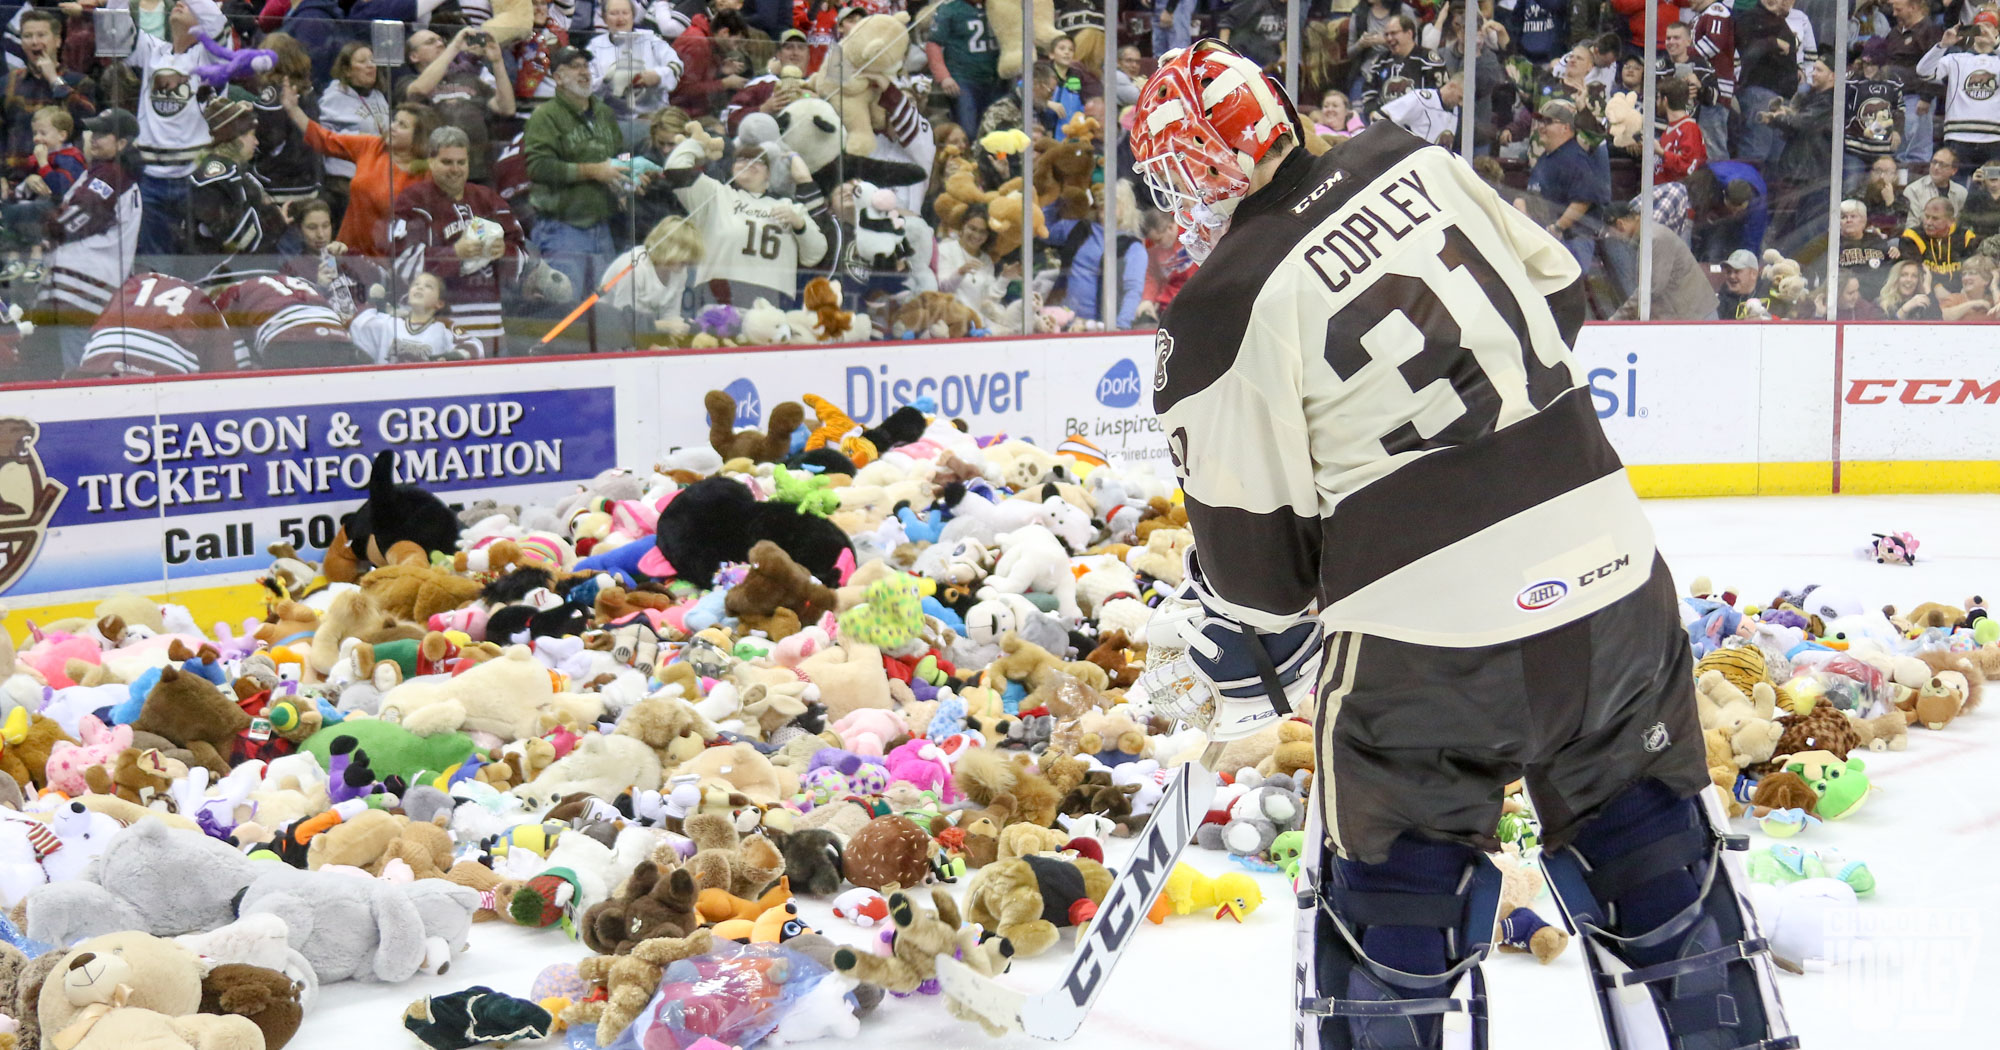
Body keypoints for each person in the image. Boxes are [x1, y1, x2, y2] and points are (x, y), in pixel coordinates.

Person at [1127, 39, 1793, 1050]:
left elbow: (1264, 582)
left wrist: (1228, 619)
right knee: (1655, 862)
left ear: (1205, 168)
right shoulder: (1416, 160)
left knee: (1392, 909)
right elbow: (1559, 303)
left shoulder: (1218, 307)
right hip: (1611, 574)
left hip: (1424, 641)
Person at [655, 120, 825, 307]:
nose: (748, 163)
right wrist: (696, 144)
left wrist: (799, 224)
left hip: (773, 298)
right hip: (717, 292)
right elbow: (675, 169)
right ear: (732, 167)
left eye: (758, 161)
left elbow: (815, 255)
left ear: (769, 174)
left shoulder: (791, 206)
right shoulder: (715, 194)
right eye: (741, 159)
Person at [391, 126, 528, 354]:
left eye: (461, 162)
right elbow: (402, 263)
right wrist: (456, 253)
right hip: (435, 335)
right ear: (431, 161)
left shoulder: (489, 200)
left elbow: (522, 255)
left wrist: (503, 251)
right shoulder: (412, 201)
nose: (455, 169)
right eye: (447, 162)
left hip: (491, 331)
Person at [34, 107, 141, 375]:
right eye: (94, 131)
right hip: (86, 286)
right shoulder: (109, 172)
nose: (94, 138)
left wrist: (44, 226)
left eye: (104, 134)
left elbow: (79, 215)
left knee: (80, 371)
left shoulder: (111, 175)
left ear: (122, 143)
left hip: (82, 287)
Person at [281, 83, 432, 261]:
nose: (393, 127)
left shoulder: (427, 172)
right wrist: (293, 109)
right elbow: (325, 140)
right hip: (345, 253)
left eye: (403, 125)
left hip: (390, 263)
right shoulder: (371, 145)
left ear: (419, 136)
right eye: (394, 120)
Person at [522, 46, 627, 295]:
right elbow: (538, 167)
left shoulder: (604, 113)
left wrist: (629, 176)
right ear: (558, 78)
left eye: (586, 66)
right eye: (575, 67)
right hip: (562, 228)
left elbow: (620, 153)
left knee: (604, 309)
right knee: (566, 307)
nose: (584, 72)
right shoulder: (545, 116)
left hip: (603, 226)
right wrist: (592, 171)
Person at [127, 0, 224, 260]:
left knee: (194, 258)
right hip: (150, 178)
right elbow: (114, 27)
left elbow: (216, 21)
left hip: (195, 178)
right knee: (154, 261)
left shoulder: (212, 55)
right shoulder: (152, 50)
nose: (181, 2)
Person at [188, 97, 292, 284]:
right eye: (252, 135)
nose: (257, 142)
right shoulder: (213, 178)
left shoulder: (235, 171)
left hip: (249, 273)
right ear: (235, 137)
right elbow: (239, 239)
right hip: (223, 280)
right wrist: (275, 222)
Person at [403, 26, 519, 188]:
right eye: (430, 42)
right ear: (414, 56)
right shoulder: (408, 81)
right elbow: (418, 91)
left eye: (440, 41)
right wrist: (454, 47)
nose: (439, 44)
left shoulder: (469, 78)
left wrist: (497, 61)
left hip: (478, 168)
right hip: (433, 171)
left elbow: (507, 108)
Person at [66, 270, 232, 376]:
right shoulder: (204, 303)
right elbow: (224, 381)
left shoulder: (131, 284)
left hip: (104, 355)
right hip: (163, 367)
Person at [1520, 99, 1609, 269]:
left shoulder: (1575, 159)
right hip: (1546, 240)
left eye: (1548, 122)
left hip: (1572, 241)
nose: (1541, 127)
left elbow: (1582, 201)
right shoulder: (1546, 158)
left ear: (1566, 128)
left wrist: (1558, 227)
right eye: (1540, 122)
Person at [1048, 180, 1146, 328]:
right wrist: (1052, 195)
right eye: (1102, 200)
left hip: (1099, 326)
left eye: (1113, 201)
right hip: (1060, 320)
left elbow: (1132, 290)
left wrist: (1121, 326)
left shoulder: (1133, 247)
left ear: (1125, 208)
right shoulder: (1078, 229)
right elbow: (1043, 231)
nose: (1104, 204)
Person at [0, 107, 83, 283]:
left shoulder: (71, 158)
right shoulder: (36, 158)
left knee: (35, 209)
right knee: (10, 208)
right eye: (35, 133)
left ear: (62, 135)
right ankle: (14, 259)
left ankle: (38, 260)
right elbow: (19, 178)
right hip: (36, 203)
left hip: (60, 208)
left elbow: (61, 188)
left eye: (43, 133)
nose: (37, 138)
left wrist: (44, 164)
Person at [594, 214, 703, 344]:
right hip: (609, 336)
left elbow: (670, 316)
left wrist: (678, 330)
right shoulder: (633, 268)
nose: (688, 263)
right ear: (670, 250)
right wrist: (666, 326)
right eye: (685, 257)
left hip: (645, 334)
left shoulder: (678, 270)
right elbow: (624, 322)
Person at [1605, 200, 1720, 319]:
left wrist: (1618, 318)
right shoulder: (1648, 237)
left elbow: (1652, 289)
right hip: (1688, 314)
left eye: (1611, 232)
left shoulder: (1655, 239)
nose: (1615, 238)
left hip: (1696, 316)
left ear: (1620, 224)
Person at [592, 0, 686, 146]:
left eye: (625, 13)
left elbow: (676, 66)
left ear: (633, 15)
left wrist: (657, 76)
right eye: (614, 13)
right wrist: (608, 80)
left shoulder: (650, 39)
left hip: (656, 117)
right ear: (604, 18)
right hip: (617, 122)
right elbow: (587, 88)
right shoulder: (595, 47)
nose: (620, 18)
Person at [319, 40, 391, 219]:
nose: (370, 66)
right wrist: (358, 139)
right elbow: (323, 138)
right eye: (362, 62)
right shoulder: (334, 97)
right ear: (347, 70)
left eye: (372, 61)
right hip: (345, 184)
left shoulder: (379, 96)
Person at [1918, 22, 2000, 176]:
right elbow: (1923, 71)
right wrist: (1942, 46)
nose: (1983, 30)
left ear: (1997, 31)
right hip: (1958, 136)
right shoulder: (1955, 59)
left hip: (1994, 139)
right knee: (1956, 190)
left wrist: (1996, 45)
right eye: (1978, 26)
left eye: (1988, 26)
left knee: (1994, 191)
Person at [278, 198, 380, 320]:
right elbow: (297, 311)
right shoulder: (291, 268)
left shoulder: (348, 255)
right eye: (312, 228)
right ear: (299, 230)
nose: (320, 234)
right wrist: (319, 288)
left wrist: (348, 259)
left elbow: (382, 281)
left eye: (325, 226)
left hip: (365, 325)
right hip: (327, 330)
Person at [349, 271, 483, 362]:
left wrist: (451, 356)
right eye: (416, 285)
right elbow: (355, 326)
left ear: (439, 303)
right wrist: (374, 303)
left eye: (428, 286)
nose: (419, 288)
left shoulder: (444, 327)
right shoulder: (388, 323)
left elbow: (475, 346)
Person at [1734, 0, 1799, 166]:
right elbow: (1748, 52)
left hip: (1782, 98)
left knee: (1775, 158)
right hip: (1760, 94)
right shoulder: (1751, 17)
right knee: (1756, 153)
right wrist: (1773, 43)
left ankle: (1768, 192)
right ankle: (1744, 191)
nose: (1788, 3)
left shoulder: (1778, 20)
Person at [928, 0, 1002, 138]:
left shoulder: (998, 5)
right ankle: (968, 159)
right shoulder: (949, 8)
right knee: (968, 131)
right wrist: (944, 76)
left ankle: (996, 160)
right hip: (964, 79)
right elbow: (934, 44)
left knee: (998, 132)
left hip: (996, 78)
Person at [1885, 0, 1942, 169]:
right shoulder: (1895, 33)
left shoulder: (1930, 31)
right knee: (1897, 145)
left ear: (1913, 7)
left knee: (1915, 145)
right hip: (1894, 98)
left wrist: (1926, 97)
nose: (1894, 14)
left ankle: (1917, 177)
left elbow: (1937, 65)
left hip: (1916, 96)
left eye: (1898, 9)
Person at [1845, 38, 1905, 192]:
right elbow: (1844, 112)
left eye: (1872, 64)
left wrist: (1897, 131)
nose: (1868, 68)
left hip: (1882, 152)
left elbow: (1899, 110)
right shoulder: (1852, 80)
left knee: (1884, 190)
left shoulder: (1893, 82)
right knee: (1850, 188)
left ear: (1881, 64)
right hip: (1855, 149)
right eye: (1865, 63)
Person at [1355, 14, 1442, 117]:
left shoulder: (1428, 61)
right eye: (1386, 34)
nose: (1389, 38)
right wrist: (1373, 113)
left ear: (1409, 33)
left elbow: (1441, 96)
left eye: (1393, 33)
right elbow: (1369, 94)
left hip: (1421, 124)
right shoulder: (1380, 62)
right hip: (1386, 125)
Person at [1900, 195, 1981, 277]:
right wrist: (1938, 287)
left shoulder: (1966, 237)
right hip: (1925, 287)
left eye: (1935, 219)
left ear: (1951, 221)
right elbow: (1915, 274)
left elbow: (1973, 272)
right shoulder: (1912, 236)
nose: (1928, 223)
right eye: (1926, 216)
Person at [1835, 197, 1895, 299]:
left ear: (1863, 220)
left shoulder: (1876, 240)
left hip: (1877, 294)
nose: (1848, 220)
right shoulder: (1833, 243)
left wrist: (1895, 252)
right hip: (1844, 296)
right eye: (1844, 217)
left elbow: (1887, 268)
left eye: (1853, 216)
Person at [1380, 73, 1462, 147]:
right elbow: (1382, 116)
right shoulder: (1422, 99)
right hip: (1410, 158)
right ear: (1452, 86)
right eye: (1460, 97)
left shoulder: (1456, 110)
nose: (1461, 103)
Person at [1654, 78, 1705, 182]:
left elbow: (1689, 167)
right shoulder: (1670, 128)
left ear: (1665, 100)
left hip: (1678, 194)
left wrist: (1661, 152)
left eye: (1658, 98)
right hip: (1661, 192)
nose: (1656, 102)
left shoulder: (1690, 129)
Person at [1903, 145, 1966, 225]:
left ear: (1954, 170)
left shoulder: (1961, 193)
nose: (1936, 167)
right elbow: (1911, 227)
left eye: (1942, 164)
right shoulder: (1913, 190)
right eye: (1934, 162)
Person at [1938, 252, 1999, 319]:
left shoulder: (1993, 300)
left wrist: (1994, 286)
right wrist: (1973, 304)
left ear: (1986, 279)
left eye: (1972, 273)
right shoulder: (1955, 299)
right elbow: (1943, 317)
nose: (1966, 278)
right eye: (1964, 274)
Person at [1716, 246, 1769, 317]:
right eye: (1729, 272)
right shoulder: (1721, 299)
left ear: (1753, 274)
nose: (1732, 276)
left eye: (1737, 271)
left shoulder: (1769, 294)